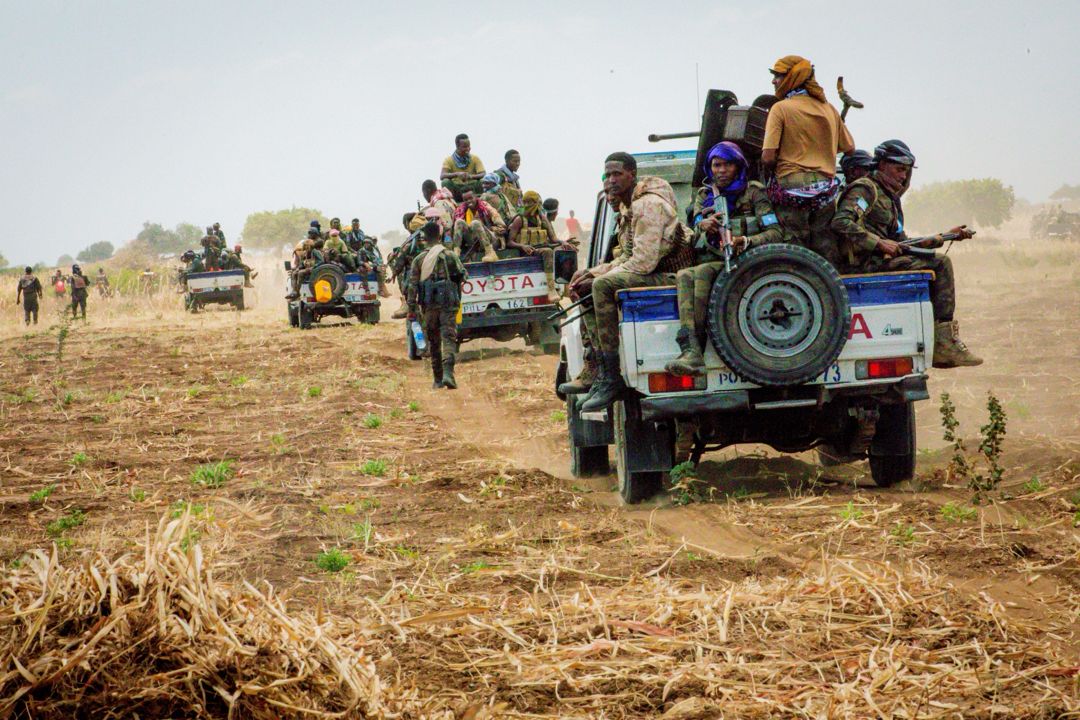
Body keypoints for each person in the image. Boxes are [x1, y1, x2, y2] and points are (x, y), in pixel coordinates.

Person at [831, 139, 981, 368]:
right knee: (941, 264)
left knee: (935, 260)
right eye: (899, 169)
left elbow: (902, 244)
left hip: (880, 259)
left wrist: (944, 236)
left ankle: (940, 340)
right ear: (881, 165)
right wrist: (878, 243)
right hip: (864, 264)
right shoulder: (866, 189)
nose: (903, 176)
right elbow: (841, 222)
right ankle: (944, 344)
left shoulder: (887, 197)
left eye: (907, 171)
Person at [573, 152, 692, 411]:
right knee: (587, 283)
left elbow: (643, 263)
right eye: (607, 175)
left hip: (674, 275)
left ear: (632, 175)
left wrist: (600, 278)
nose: (611, 181)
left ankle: (611, 376)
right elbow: (627, 256)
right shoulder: (630, 206)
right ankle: (599, 371)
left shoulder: (647, 205)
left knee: (601, 286)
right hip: (654, 272)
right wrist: (593, 272)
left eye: (617, 174)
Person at [666, 142, 784, 375]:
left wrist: (745, 241)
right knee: (684, 275)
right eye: (716, 165)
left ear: (738, 166)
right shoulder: (705, 194)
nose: (721, 170)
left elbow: (775, 233)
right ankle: (691, 349)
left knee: (700, 274)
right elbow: (695, 225)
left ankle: (695, 352)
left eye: (727, 165)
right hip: (715, 258)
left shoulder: (754, 192)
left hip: (748, 259)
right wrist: (703, 224)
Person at [762, 55, 855, 265]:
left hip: (790, 185)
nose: (774, 81)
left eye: (778, 75)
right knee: (825, 245)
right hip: (825, 188)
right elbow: (849, 148)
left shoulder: (780, 108)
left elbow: (768, 157)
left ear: (793, 77)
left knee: (794, 248)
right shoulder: (829, 108)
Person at [407, 221, 468, 389]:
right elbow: (463, 275)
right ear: (439, 236)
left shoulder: (418, 260)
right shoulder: (449, 255)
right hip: (448, 303)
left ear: (425, 238)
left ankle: (438, 379)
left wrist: (411, 309)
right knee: (449, 337)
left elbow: (412, 287)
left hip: (429, 305)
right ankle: (449, 373)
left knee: (433, 341)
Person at [506, 190, 568, 303]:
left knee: (562, 251)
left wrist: (563, 242)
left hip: (540, 248)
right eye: (525, 202)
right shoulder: (520, 219)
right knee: (548, 251)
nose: (527, 205)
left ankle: (566, 287)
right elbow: (509, 242)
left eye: (530, 202)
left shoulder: (542, 218)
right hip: (527, 251)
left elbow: (553, 238)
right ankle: (551, 289)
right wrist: (522, 246)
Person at [452, 190, 503, 263]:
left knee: (475, 223)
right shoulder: (461, 210)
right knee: (459, 222)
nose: (469, 201)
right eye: (466, 200)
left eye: (470, 198)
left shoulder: (485, 207)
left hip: (491, 238)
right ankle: (456, 254)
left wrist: (492, 228)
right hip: (473, 240)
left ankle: (490, 253)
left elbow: (501, 226)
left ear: (475, 197)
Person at [440, 133, 485, 198]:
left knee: (482, 180)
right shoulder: (448, 160)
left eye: (469, 146)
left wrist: (470, 176)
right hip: (458, 189)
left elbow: (483, 174)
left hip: (472, 188)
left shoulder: (475, 158)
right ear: (457, 146)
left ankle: (479, 200)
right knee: (445, 182)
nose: (468, 149)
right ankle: (453, 201)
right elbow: (442, 176)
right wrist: (457, 174)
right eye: (465, 147)